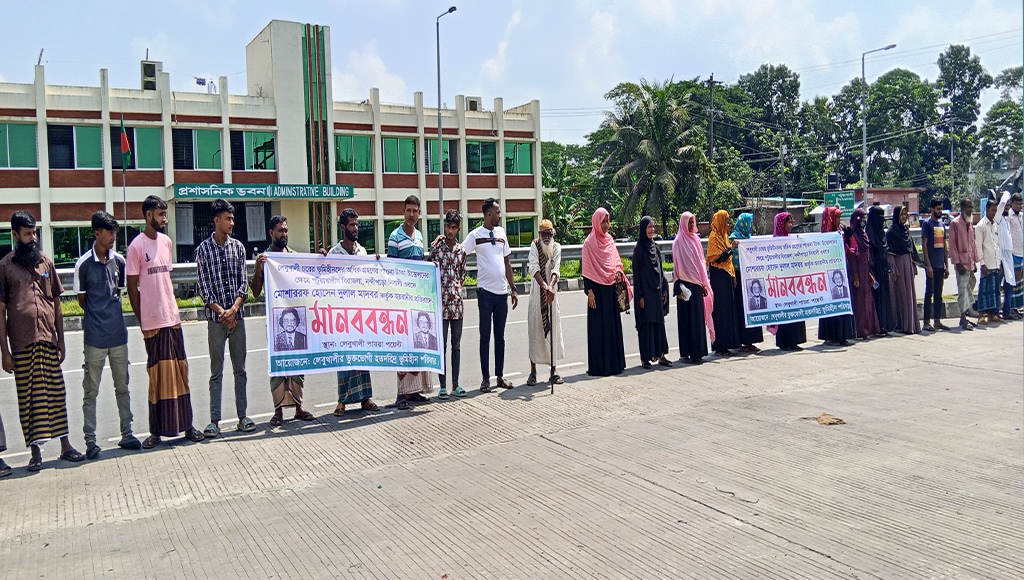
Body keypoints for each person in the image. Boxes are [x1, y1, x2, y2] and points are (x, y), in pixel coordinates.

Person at [0, 211, 85, 471]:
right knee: (29, 400)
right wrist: (5, 352)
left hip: (47, 338)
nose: (32, 238)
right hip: (22, 343)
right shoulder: (5, 266)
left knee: (56, 394)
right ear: (15, 235)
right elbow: (1, 311)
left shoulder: (46, 263)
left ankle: (65, 445)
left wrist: (61, 339)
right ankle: (35, 453)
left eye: (34, 232)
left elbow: (57, 303)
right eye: (27, 234)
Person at [127, 195, 204, 448]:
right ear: (148, 215)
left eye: (165, 214)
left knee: (182, 372)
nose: (164, 218)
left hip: (173, 319)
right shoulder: (135, 247)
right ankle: (155, 431)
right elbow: (132, 289)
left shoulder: (167, 242)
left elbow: (165, 281)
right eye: (160, 214)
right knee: (157, 378)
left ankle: (187, 426)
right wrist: (143, 319)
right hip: (152, 324)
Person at [74, 211, 140, 458]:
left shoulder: (119, 262)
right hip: (94, 338)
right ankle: (90, 440)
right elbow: (83, 301)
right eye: (109, 232)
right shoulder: (83, 264)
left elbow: (119, 294)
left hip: (118, 336)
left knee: (123, 386)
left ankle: (127, 433)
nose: (113, 237)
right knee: (91, 391)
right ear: (96, 233)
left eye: (115, 232)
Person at [194, 199, 253, 437]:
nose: (232, 222)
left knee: (240, 370)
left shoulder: (238, 247)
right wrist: (222, 313)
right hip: (216, 321)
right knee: (216, 371)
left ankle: (243, 416)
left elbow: (243, 284)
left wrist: (234, 309)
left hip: (237, 319)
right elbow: (203, 289)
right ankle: (214, 422)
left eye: (232, 218)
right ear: (216, 220)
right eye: (227, 218)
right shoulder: (202, 250)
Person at [251, 215, 316, 427]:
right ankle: (277, 411)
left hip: (296, 318)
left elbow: (308, 280)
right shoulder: (265, 258)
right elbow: (256, 291)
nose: (284, 234)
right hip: (277, 320)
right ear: (271, 233)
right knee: (278, 366)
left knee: (298, 364)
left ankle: (299, 407)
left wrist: (321, 258)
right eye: (280, 230)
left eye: (286, 230)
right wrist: (260, 268)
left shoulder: (294, 257)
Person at [462, 197, 519, 392]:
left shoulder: (501, 233)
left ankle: (500, 377)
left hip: (502, 294)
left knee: (500, 337)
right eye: (498, 212)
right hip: (485, 293)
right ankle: (485, 379)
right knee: (485, 337)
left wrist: (513, 288)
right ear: (489, 214)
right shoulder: (476, 234)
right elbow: (460, 251)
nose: (500, 215)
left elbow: (507, 262)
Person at [328, 208, 380, 414]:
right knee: (344, 356)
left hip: (360, 312)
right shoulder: (334, 253)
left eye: (356, 224)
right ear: (343, 228)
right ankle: (341, 401)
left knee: (361, 354)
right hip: (342, 313)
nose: (355, 228)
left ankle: (365, 398)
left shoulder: (363, 252)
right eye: (351, 225)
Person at [388, 196, 434, 406]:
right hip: (402, 298)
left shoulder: (420, 236)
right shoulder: (395, 236)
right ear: (403, 211)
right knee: (403, 343)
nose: (412, 214)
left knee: (418, 342)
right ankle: (401, 394)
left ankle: (414, 391)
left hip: (418, 298)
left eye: (415, 211)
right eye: (408, 210)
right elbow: (392, 268)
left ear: (419, 213)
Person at [582, 208, 628, 375]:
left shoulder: (609, 240)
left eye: (607, 221)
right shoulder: (589, 243)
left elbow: (616, 261)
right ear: (596, 222)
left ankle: (615, 365)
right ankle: (599, 367)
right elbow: (586, 270)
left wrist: (618, 272)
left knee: (612, 328)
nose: (606, 225)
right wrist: (590, 292)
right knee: (599, 330)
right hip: (598, 294)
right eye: (603, 222)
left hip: (611, 290)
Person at [430, 209, 467, 399]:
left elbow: (462, 276)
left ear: (458, 229)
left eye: (454, 228)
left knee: (456, 345)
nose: (451, 231)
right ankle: (442, 385)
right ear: (444, 227)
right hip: (441, 306)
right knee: (441, 345)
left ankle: (456, 384)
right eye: (448, 227)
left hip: (457, 306)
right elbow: (430, 271)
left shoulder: (461, 251)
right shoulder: (437, 248)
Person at [672, 211, 714, 364]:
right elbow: (676, 268)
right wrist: (678, 286)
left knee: (697, 320)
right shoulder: (678, 242)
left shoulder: (696, 240)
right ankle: (686, 353)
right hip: (684, 286)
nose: (691, 225)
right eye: (688, 222)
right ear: (683, 223)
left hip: (696, 286)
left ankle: (698, 352)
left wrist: (703, 283)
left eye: (692, 222)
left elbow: (700, 264)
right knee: (685, 321)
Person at [527, 219, 566, 384]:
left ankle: (554, 370)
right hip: (537, 295)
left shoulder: (556, 247)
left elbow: (556, 269)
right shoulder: (534, 247)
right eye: (544, 234)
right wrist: (544, 287)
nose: (547, 237)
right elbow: (534, 268)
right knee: (535, 332)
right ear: (539, 235)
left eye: (549, 233)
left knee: (553, 330)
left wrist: (551, 287)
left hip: (551, 293)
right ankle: (533, 372)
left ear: (553, 234)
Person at [633, 216, 672, 369]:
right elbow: (637, 276)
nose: (652, 230)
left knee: (659, 324)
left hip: (656, 292)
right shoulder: (639, 249)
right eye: (649, 227)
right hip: (645, 294)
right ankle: (646, 358)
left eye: (653, 227)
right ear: (643, 229)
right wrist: (640, 296)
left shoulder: (655, 247)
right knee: (646, 325)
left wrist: (663, 291)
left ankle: (661, 355)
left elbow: (661, 270)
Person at [818, 207, 856, 346]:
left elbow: (848, 251)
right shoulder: (825, 236)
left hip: (841, 272)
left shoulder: (839, 233)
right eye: (837, 218)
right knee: (832, 304)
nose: (839, 221)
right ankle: (831, 336)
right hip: (830, 275)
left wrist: (847, 235)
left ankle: (843, 335)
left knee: (843, 302)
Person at [706, 210, 740, 356]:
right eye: (726, 220)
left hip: (726, 277)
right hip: (718, 278)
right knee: (720, 312)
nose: (728, 223)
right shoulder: (714, 237)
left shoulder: (724, 236)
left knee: (729, 311)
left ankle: (729, 344)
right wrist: (731, 248)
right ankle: (720, 346)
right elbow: (718, 258)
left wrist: (733, 276)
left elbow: (728, 261)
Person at [771, 212, 806, 350]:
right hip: (782, 284)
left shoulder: (793, 239)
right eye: (788, 222)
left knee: (796, 309)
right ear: (781, 224)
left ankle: (795, 340)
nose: (791, 225)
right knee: (785, 312)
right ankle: (785, 342)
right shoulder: (775, 242)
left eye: (791, 222)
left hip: (794, 282)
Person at [886, 204, 922, 334]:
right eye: (901, 214)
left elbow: (911, 249)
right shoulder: (891, 232)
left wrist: (913, 265)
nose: (903, 217)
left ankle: (910, 325)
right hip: (898, 266)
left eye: (904, 215)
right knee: (901, 295)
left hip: (907, 264)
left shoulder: (906, 230)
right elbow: (889, 252)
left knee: (909, 295)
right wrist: (893, 269)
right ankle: (901, 324)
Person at [729, 212, 763, 351]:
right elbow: (729, 259)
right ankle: (741, 342)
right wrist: (733, 275)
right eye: (748, 223)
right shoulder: (733, 239)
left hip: (749, 277)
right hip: (737, 277)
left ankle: (750, 340)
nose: (750, 226)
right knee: (740, 310)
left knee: (752, 308)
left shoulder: (749, 239)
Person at [846, 208, 881, 339]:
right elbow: (852, 257)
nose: (864, 222)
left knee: (867, 303)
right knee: (859, 303)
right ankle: (860, 330)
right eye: (862, 220)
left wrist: (870, 274)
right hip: (858, 274)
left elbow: (868, 257)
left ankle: (869, 329)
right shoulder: (853, 236)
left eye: (866, 220)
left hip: (866, 272)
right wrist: (855, 276)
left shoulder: (865, 236)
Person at [949, 198, 979, 330]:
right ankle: (962, 317)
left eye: (971, 207)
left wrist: (975, 260)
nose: (970, 209)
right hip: (961, 262)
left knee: (971, 284)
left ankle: (967, 311)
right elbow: (952, 245)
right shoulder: (955, 223)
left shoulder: (970, 222)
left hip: (970, 262)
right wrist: (957, 263)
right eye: (968, 207)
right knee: (962, 290)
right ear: (962, 207)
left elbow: (972, 242)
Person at [975, 194, 1005, 325]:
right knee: (984, 290)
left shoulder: (995, 225)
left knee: (995, 290)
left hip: (995, 262)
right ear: (987, 210)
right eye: (992, 210)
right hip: (986, 263)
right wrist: (982, 264)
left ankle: (992, 315)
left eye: (995, 210)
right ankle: (981, 315)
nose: (994, 213)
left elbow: (998, 244)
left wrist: (1000, 262)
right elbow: (979, 247)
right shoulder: (981, 226)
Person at [920, 198, 950, 331]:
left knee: (939, 293)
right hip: (931, 265)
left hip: (940, 265)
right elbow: (925, 245)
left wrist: (947, 266)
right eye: (938, 209)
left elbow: (944, 246)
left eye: (941, 209)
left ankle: (937, 320)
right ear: (932, 209)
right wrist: (928, 265)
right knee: (929, 293)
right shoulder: (927, 224)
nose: (940, 211)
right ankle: (926, 322)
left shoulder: (942, 225)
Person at [867, 205, 895, 334]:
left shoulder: (882, 234)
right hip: (874, 270)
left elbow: (885, 251)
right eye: (879, 218)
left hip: (883, 269)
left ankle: (885, 325)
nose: (881, 220)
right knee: (876, 298)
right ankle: (877, 326)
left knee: (884, 297)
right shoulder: (869, 234)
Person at [996, 192, 1019, 320]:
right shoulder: (998, 217)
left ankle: (1007, 311)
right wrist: (1007, 193)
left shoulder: (1005, 218)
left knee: (1010, 285)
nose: (1007, 207)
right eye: (1006, 205)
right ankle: (994, 311)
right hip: (1001, 256)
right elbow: (1003, 202)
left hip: (1009, 255)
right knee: (997, 286)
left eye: (1009, 206)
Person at [1008, 193, 1023, 316]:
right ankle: (1011, 307)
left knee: (1021, 281)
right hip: (1013, 252)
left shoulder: (1022, 216)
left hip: (1022, 251)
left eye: (1020, 203)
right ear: (1011, 203)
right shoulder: (1009, 216)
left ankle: (1018, 307)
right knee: (1014, 281)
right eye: (1017, 203)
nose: (1019, 206)